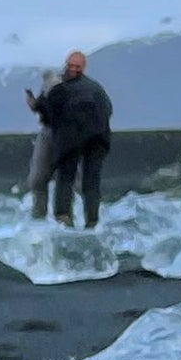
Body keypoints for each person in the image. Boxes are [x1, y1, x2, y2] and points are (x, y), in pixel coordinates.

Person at [34, 50, 114, 227]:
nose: (73, 69)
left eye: (76, 66)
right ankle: (91, 222)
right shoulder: (96, 89)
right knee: (88, 183)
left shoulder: (59, 89)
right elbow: (108, 109)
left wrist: (36, 105)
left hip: (75, 140)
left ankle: (65, 219)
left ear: (83, 67)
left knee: (67, 179)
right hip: (94, 138)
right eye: (71, 65)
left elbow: (49, 113)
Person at [20, 65, 63, 217]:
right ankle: (39, 217)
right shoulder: (47, 87)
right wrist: (34, 105)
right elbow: (45, 108)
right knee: (37, 180)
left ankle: (67, 219)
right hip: (48, 132)